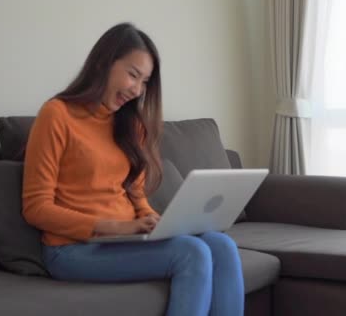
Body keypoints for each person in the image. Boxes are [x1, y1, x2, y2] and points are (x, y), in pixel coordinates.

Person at [22, 22, 244, 316]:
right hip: (72, 249)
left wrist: (155, 220)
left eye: (145, 81)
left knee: (222, 245)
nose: (137, 89)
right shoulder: (57, 114)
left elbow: (135, 194)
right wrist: (114, 227)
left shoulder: (130, 125)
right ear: (104, 62)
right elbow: (36, 208)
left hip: (124, 240)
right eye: (132, 75)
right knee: (192, 253)